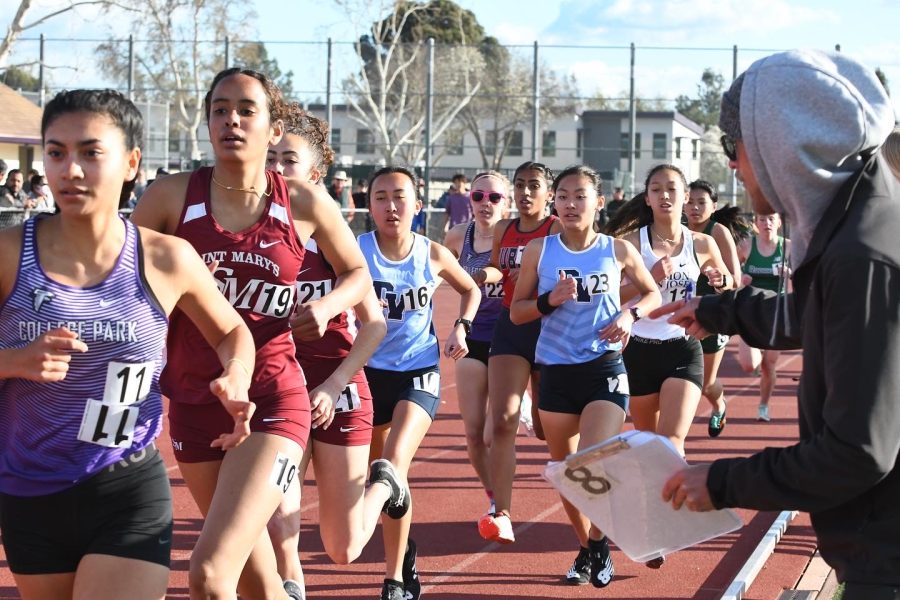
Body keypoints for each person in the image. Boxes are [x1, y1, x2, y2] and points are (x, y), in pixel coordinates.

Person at [131, 68, 385, 600]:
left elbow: (357, 273)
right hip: (196, 399)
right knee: (256, 580)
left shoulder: (304, 202)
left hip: (273, 397)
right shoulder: (170, 197)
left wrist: (329, 305)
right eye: (220, 109)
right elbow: (121, 276)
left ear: (273, 130)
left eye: (247, 110)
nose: (232, 120)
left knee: (207, 574)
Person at [656, 50, 900, 596]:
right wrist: (721, 311)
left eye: (732, 147)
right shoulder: (861, 215)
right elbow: (816, 316)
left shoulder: (861, 253)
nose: (735, 167)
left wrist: (721, 482)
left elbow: (860, 450)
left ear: (780, 141)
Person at [0, 89, 256, 600]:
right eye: (56, 152)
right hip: (29, 489)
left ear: (131, 162)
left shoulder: (166, 259)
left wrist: (235, 374)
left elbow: (233, 333)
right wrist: (13, 361)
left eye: (91, 153)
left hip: (126, 484)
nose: (70, 169)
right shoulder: (9, 253)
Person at [265, 103, 396, 600]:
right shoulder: (255, 234)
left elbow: (375, 324)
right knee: (278, 495)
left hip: (336, 385)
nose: (276, 169)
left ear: (316, 174)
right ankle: (291, 580)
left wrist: (335, 382)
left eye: (288, 160)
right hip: (278, 388)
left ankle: (384, 482)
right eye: (270, 158)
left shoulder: (331, 239)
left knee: (343, 547)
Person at [511, 165, 661, 588]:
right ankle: (589, 548)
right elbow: (517, 312)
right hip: (556, 371)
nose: (570, 204)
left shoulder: (616, 250)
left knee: (597, 461)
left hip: (604, 367)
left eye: (580, 196)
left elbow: (650, 292)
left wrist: (629, 315)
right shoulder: (540, 251)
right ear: (554, 203)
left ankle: (597, 543)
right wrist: (548, 301)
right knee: (567, 473)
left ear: (599, 202)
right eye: (563, 196)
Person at [360, 166, 480, 600]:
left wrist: (461, 327)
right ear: (368, 203)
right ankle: (405, 552)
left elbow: (472, 290)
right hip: (368, 373)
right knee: (378, 477)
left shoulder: (431, 254)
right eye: (380, 197)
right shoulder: (356, 252)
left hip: (418, 369)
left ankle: (393, 580)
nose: (391, 206)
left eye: (399, 196)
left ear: (417, 202)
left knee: (392, 467)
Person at [606, 164, 731, 461]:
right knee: (650, 448)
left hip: (682, 348)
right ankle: (656, 504)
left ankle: (676, 504)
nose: (665, 195)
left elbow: (728, 282)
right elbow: (610, 297)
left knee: (672, 441)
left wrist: (721, 280)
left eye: (672, 189)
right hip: (638, 352)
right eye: (656, 189)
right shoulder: (630, 244)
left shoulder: (702, 243)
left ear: (685, 196)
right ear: (647, 199)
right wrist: (649, 279)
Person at [472, 161, 561, 544]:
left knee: (544, 429)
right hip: (511, 328)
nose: (525, 193)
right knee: (504, 420)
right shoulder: (506, 229)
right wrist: (482, 275)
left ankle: (539, 400)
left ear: (548, 194)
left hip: (549, 329)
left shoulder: (556, 229)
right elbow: (496, 267)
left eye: (534, 186)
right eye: (520, 185)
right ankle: (501, 511)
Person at [443, 170, 510, 515]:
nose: (485, 203)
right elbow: (433, 273)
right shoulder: (457, 237)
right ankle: (494, 495)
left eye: (494, 197)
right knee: (472, 434)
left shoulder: (517, 238)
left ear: (507, 203)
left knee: (491, 432)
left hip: (511, 342)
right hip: (472, 338)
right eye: (478, 196)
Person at [684, 180, 744, 436]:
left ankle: (719, 405)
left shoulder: (717, 232)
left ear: (713, 206)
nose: (694, 207)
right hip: (680, 315)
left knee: (706, 384)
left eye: (701, 202)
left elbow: (736, 280)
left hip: (711, 316)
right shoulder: (676, 230)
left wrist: (719, 279)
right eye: (690, 201)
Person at [736, 212, 791, 422]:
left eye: (771, 219)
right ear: (755, 223)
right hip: (749, 310)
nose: (766, 223)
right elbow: (729, 270)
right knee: (749, 366)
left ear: (778, 222)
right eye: (762, 219)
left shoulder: (789, 246)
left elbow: (804, 278)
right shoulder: (746, 245)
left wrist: (790, 273)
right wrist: (741, 277)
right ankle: (754, 357)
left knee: (769, 365)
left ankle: (763, 405)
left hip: (776, 312)